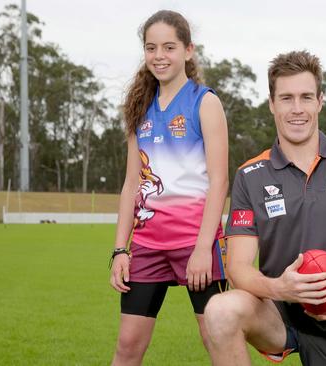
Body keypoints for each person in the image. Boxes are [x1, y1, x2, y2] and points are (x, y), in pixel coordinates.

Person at [203, 50, 326, 366]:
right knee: (220, 310)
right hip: (278, 312)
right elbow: (238, 267)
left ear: (320, 101)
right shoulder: (250, 175)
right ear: (271, 104)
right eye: (286, 98)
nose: (297, 109)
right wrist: (280, 288)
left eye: (306, 97)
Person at [108, 10, 229, 366]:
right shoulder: (139, 108)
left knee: (217, 339)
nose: (159, 55)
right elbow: (132, 184)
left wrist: (203, 248)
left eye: (169, 47)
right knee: (127, 346)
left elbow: (220, 180)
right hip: (147, 245)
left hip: (196, 242)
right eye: (151, 47)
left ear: (188, 51)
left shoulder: (204, 102)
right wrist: (120, 250)